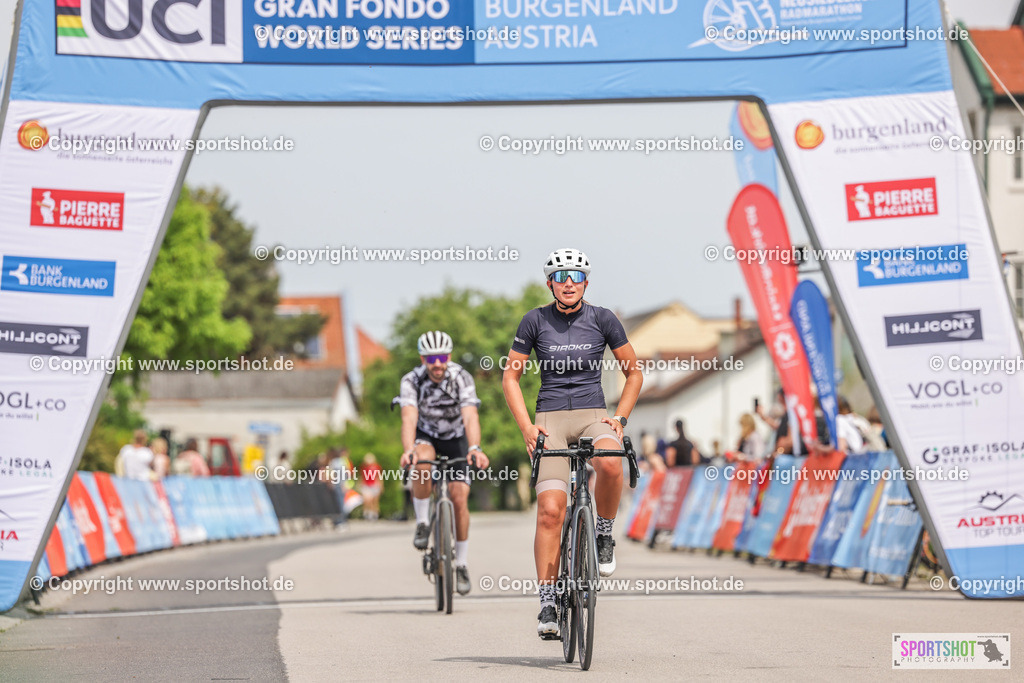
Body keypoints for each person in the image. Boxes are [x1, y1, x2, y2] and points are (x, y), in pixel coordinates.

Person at [502, 248, 643, 638]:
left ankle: (602, 531)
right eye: (561, 275)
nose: (568, 282)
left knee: (612, 459)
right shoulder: (534, 320)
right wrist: (528, 428)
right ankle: (547, 600)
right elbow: (510, 379)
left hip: (593, 414)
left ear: (586, 283)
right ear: (550, 282)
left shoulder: (602, 318)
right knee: (550, 509)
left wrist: (619, 418)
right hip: (550, 421)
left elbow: (633, 372)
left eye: (576, 276)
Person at [398, 330, 490, 596]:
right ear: (422, 358)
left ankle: (460, 563)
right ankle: (424, 522)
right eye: (431, 358)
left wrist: (474, 447)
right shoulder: (411, 381)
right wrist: (408, 450)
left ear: (449, 356)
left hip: (456, 436)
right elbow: (408, 418)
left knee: (459, 497)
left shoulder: (461, 377)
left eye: (442, 357)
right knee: (422, 462)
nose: (437, 363)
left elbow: (470, 415)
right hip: (426, 435)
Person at [360, 453, 383, 521]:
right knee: (367, 500)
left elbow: (379, 477)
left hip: (374, 485)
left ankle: (374, 514)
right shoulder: (364, 467)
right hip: (366, 485)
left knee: (374, 501)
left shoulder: (376, 467)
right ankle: (367, 513)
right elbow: (362, 477)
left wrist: (381, 485)